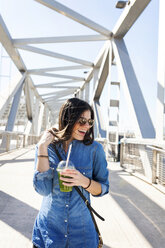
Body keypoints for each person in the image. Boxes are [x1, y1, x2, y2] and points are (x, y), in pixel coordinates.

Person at [32, 97, 109, 248]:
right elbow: (43, 189)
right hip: (48, 233)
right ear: (68, 118)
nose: (86, 126)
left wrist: (83, 181)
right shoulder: (47, 147)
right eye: (81, 120)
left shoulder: (95, 150)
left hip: (82, 236)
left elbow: (103, 188)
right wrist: (42, 147)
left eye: (90, 121)